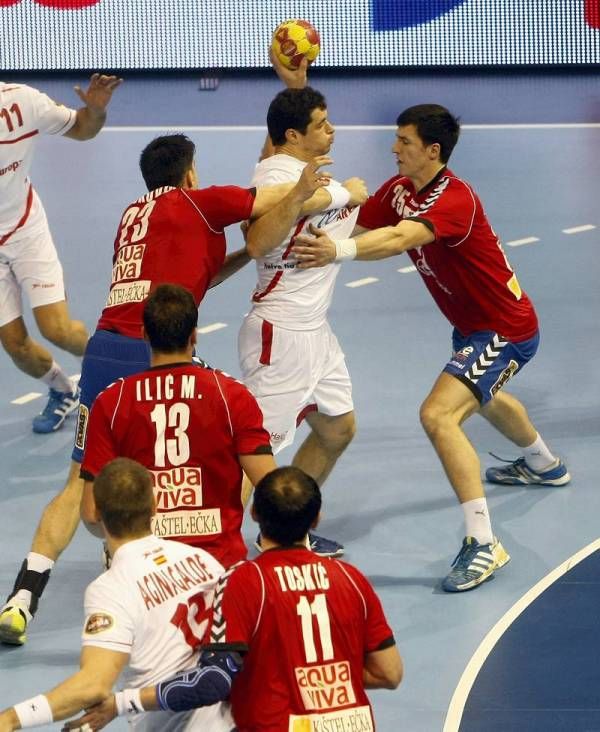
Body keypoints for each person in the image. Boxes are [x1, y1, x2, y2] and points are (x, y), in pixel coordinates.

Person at [0, 133, 332, 645]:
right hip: (153, 352)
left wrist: (240, 256)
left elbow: (191, 277)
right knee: (192, 462)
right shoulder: (198, 201)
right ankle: (196, 571)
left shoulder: (134, 214)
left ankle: (23, 598)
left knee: (79, 484)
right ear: (189, 173)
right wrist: (315, 187)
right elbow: (276, 205)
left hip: (104, 349)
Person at [292, 103, 570, 592]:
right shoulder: (401, 190)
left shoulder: (454, 200)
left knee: (439, 415)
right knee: (481, 396)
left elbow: (399, 238)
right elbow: (356, 221)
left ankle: (484, 543)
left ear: (432, 150)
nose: (393, 149)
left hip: (504, 328)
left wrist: (335, 252)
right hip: (472, 326)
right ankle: (545, 464)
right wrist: (304, 206)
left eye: (404, 141)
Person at [65, 466, 403, 732]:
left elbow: (213, 682)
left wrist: (122, 702)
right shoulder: (352, 579)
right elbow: (390, 673)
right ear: (315, 520)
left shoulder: (245, 581)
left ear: (254, 514)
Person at [0, 457, 233, 732]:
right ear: (154, 507)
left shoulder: (111, 589)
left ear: (95, 513)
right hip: (237, 718)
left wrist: (10, 719)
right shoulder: (204, 561)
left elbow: (92, 686)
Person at [240, 67, 369, 557]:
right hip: (281, 334)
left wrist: (295, 86)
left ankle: (286, 530)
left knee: (338, 427)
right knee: (255, 455)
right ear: (294, 136)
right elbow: (255, 241)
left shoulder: (298, 169)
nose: (331, 130)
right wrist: (344, 194)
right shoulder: (277, 178)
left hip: (316, 331)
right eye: (321, 123)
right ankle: (217, 556)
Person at [80, 283, 276, 569]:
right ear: (194, 335)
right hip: (218, 568)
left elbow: (91, 513)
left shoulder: (112, 401)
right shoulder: (231, 395)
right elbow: (272, 489)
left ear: (145, 335)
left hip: (144, 574)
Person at [0, 74, 122, 433]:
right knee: (15, 344)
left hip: (25, 231)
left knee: (57, 329)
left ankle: (107, 370)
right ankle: (63, 390)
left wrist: (95, 110)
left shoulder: (21, 102)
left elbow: (83, 128)